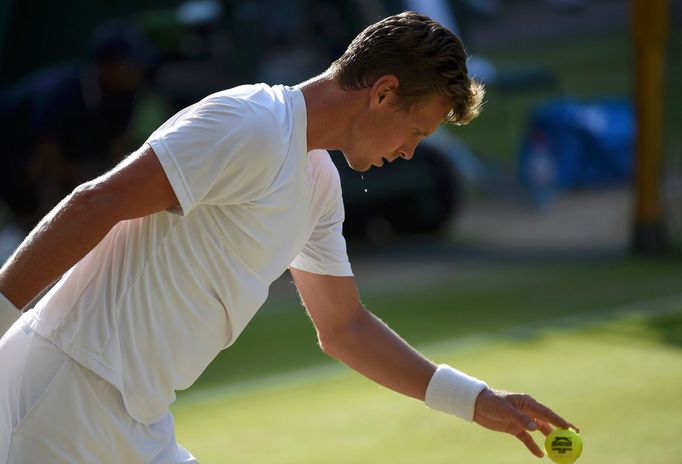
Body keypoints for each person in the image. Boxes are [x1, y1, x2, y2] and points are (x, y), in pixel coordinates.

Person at [0, 11, 577, 463]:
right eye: (416, 129)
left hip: (135, 421)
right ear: (382, 92)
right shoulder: (248, 124)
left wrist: (475, 401)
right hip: (61, 395)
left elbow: (344, 327)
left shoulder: (319, 185)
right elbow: (96, 202)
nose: (409, 151)